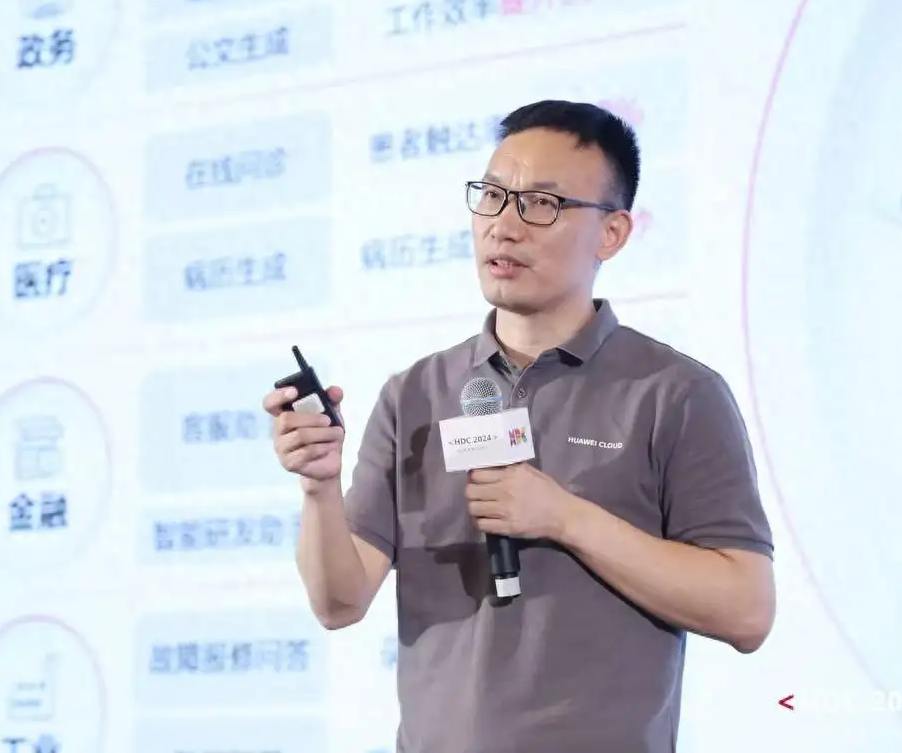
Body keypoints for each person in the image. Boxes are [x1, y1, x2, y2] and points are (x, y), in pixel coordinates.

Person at [262, 100, 776, 752]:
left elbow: (747, 611)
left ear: (612, 233)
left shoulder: (675, 394)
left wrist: (565, 518)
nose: (504, 226)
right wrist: (318, 490)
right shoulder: (414, 395)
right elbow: (339, 604)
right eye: (492, 197)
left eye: (541, 205)